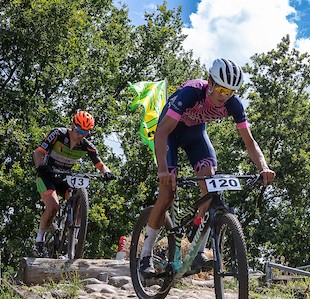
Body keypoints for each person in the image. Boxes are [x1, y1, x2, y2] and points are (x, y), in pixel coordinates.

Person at [139, 58, 275, 275]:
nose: (224, 96)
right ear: (210, 82)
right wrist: (163, 171)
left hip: (196, 137)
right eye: (221, 89)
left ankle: (198, 250)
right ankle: (145, 255)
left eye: (230, 92)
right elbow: (162, 132)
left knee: (211, 186)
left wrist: (263, 167)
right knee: (167, 194)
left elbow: (249, 141)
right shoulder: (190, 93)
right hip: (170, 135)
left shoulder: (234, 104)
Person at [33, 111, 116, 257]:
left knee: (78, 202)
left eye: (85, 132)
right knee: (53, 206)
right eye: (78, 131)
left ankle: (73, 237)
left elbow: (100, 163)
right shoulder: (58, 134)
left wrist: (106, 172)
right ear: (72, 125)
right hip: (48, 175)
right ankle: (39, 239)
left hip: (65, 177)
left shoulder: (86, 145)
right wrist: (40, 166)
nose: (80, 135)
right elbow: (38, 152)